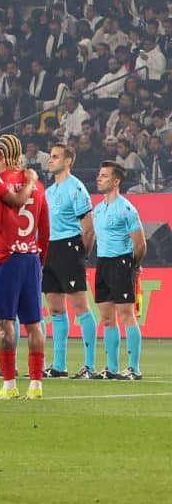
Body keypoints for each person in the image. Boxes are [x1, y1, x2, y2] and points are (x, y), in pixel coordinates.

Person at [0, 135, 48, 399]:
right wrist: (41, 259)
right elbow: (45, 229)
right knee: (34, 324)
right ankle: (36, 384)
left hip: (7, 258)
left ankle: (10, 384)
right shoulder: (36, 186)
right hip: (31, 258)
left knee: (5, 323)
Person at [85, 161, 145, 380]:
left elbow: (140, 244)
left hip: (121, 263)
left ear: (116, 181)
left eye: (104, 176)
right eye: (99, 175)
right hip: (102, 264)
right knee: (108, 318)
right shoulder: (98, 209)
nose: (99, 179)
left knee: (127, 316)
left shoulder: (127, 208)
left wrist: (134, 266)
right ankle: (111, 368)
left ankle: (133, 368)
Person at [41, 143, 95, 378]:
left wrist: (80, 255)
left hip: (70, 247)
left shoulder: (77, 189)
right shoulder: (49, 191)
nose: (50, 160)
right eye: (50, 156)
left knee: (81, 307)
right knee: (55, 309)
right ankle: (59, 365)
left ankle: (89, 366)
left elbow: (89, 229)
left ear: (68, 161)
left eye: (55, 157)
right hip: (50, 249)